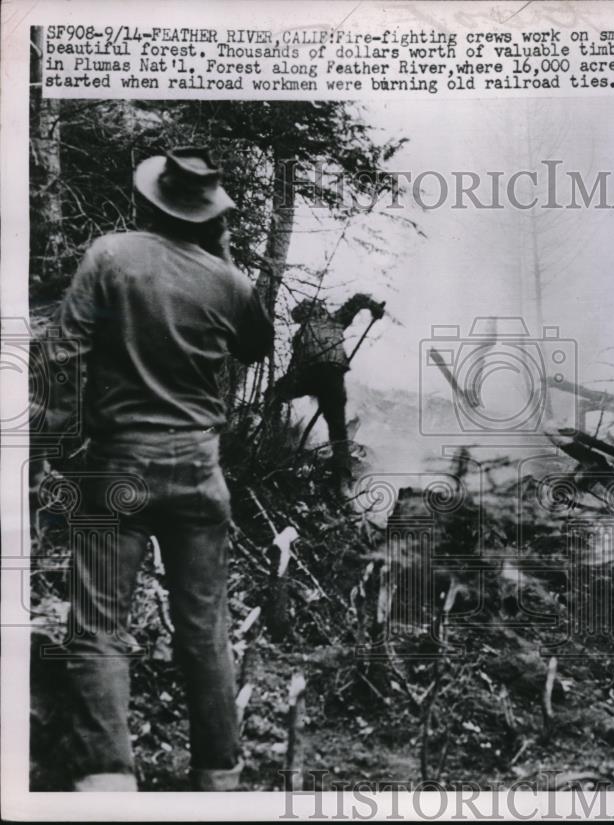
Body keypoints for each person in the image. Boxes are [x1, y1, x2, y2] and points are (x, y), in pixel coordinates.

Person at [39, 147, 273, 791]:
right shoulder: (231, 282)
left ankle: (107, 781)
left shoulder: (109, 256)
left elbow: (62, 355)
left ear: (149, 201)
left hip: (115, 464)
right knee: (205, 627)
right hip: (200, 467)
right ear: (210, 216)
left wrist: (52, 448)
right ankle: (218, 775)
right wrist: (222, 260)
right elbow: (255, 345)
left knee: (97, 625)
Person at [273, 292, 385, 492]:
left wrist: (375, 308)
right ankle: (341, 480)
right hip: (323, 377)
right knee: (337, 429)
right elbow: (295, 364)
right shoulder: (320, 326)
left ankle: (342, 480)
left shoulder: (330, 322)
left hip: (318, 376)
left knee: (336, 428)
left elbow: (358, 299)